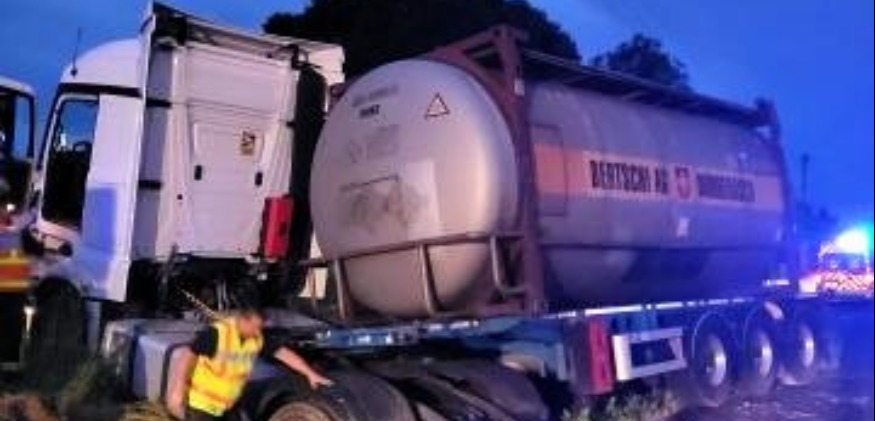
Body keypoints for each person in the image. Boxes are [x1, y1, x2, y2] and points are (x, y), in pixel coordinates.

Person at [166, 307, 333, 420]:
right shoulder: (217, 334)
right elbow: (187, 355)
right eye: (254, 327)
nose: (257, 331)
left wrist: (310, 373)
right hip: (202, 405)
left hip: (228, 405)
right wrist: (178, 390)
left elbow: (284, 354)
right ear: (242, 321)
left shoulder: (257, 338)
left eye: (260, 327)